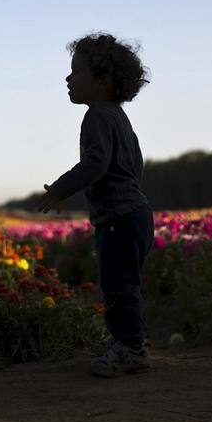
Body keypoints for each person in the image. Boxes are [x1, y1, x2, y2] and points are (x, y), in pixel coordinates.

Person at [35, 33, 153, 377]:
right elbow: (135, 164)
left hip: (118, 217)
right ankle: (129, 341)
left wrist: (60, 189)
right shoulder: (117, 116)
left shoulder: (97, 116)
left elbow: (95, 164)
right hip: (135, 213)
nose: (68, 79)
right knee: (126, 283)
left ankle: (131, 350)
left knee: (118, 285)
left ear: (102, 80)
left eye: (76, 72)